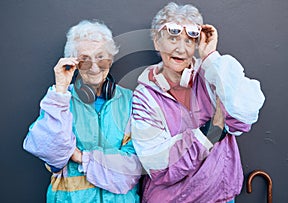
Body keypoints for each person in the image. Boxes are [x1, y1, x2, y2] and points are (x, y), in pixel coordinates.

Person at [131, 2, 265, 203]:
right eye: (173, 38)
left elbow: (243, 115)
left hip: (220, 197)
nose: (181, 49)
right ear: (157, 42)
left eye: (188, 41)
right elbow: (158, 165)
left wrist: (211, 57)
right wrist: (212, 131)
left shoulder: (212, 74)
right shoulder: (145, 96)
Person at [23, 20, 142, 203]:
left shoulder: (130, 101)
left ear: (111, 59)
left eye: (101, 57)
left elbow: (132, 168)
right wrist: (61, 89)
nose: (94, 67)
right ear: (74, 63)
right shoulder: (60, 99)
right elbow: (52, 156)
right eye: (85, 59)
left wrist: (81, 157)